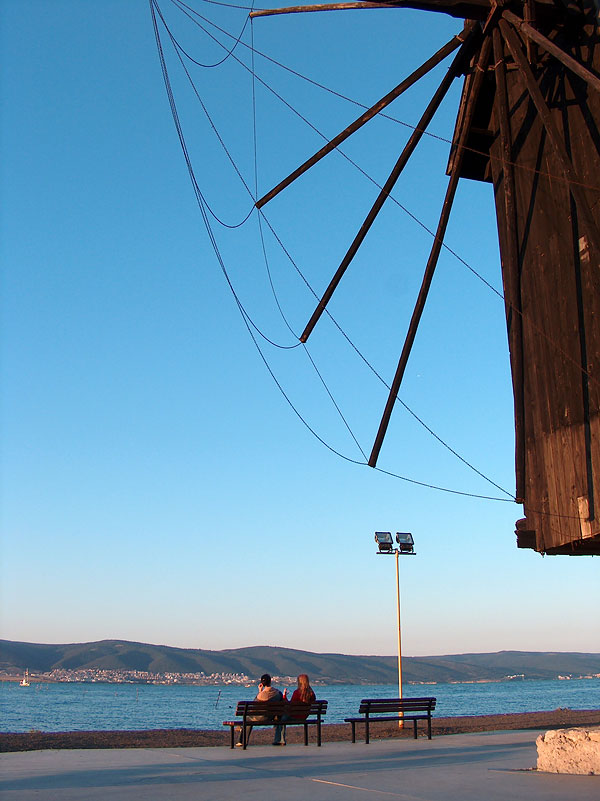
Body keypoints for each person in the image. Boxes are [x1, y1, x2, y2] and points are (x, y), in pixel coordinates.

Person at [236, 673, 283, 747]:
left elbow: (254, 706)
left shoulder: (260, 695)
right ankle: (279, 739)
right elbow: (282, 704)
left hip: (260, 718)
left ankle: (242, 741)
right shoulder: (278, 693)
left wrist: (260, 691)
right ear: (270, 682)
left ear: (262, 683)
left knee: (247, 719)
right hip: (271, 717)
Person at [272, 673, 316, 746]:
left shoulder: (297, 692)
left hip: (295, 716)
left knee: (281, 719)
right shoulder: (311, 694)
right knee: (281, 718)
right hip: (304, 716)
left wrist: (284, 695)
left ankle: (280, 740)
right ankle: (278, 740)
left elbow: (289, 705)